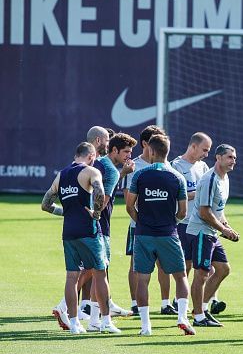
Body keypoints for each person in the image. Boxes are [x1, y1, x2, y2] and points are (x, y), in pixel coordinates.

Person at [42, 142, 119, 334]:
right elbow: (100, 192)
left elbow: (45, 204)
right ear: (92, 156)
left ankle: (75, 323)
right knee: (100, 273)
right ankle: (106, 321)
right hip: (88, 230)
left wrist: (65, 212)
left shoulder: (61, 175)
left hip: (68, 232)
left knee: (71, 276)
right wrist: (97, 212)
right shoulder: (91, 171)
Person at [125, 134, 195, 336]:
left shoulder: (140, 175)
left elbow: (129, 206)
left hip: (144, 234)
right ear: (168, 151)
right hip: (169, 233)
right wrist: (172, 222)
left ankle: (146, 326)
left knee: (143, 279)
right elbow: (183, 211)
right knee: (180, 276)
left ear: (151, 151)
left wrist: (141, 222)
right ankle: (182, 318)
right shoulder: (177, 177)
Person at [87, 133, 138, 329]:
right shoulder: (111, 170)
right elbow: (104, 201)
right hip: (100, 227)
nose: (129, 156)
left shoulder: (99, 163)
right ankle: (96, 319)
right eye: (126, 151)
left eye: (131, 152)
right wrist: (96, 218)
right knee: (97, 272)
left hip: (87, 225)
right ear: (114, 150)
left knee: (93, 272)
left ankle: (93, 319)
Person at [122, 125, 174, 315]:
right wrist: (140, 221)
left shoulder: (168, 166)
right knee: (136, 265)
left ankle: (165, 303)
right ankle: (135, 303)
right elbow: (129, 200)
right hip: (139, 226)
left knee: (164, 264)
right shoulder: (133, 167)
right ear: (145, 144)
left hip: (162, 226)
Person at [186, 144, 239, 328]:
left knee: (223, 269)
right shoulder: (210, 179)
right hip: (201, 231)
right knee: (201, 273)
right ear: (218, 158)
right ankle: (198, 317)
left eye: (234, 157)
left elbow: (218, 210)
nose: (233, 161)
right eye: (230, 157)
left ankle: (203, 308)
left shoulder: (225, 179)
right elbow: (204, 212)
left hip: (211, 232)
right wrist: (224, 230)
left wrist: (227, 226)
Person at [170, 132, 211, 306]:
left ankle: (205, 302)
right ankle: (180, 301)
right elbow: (173, 195)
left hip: (201, 224)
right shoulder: (176, 166)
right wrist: (198, 194)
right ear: (193, 146)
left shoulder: (203, 167)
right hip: (183, 223)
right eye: (204, 150)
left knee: (210, 267)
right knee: (185, 266)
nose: (206, 154)